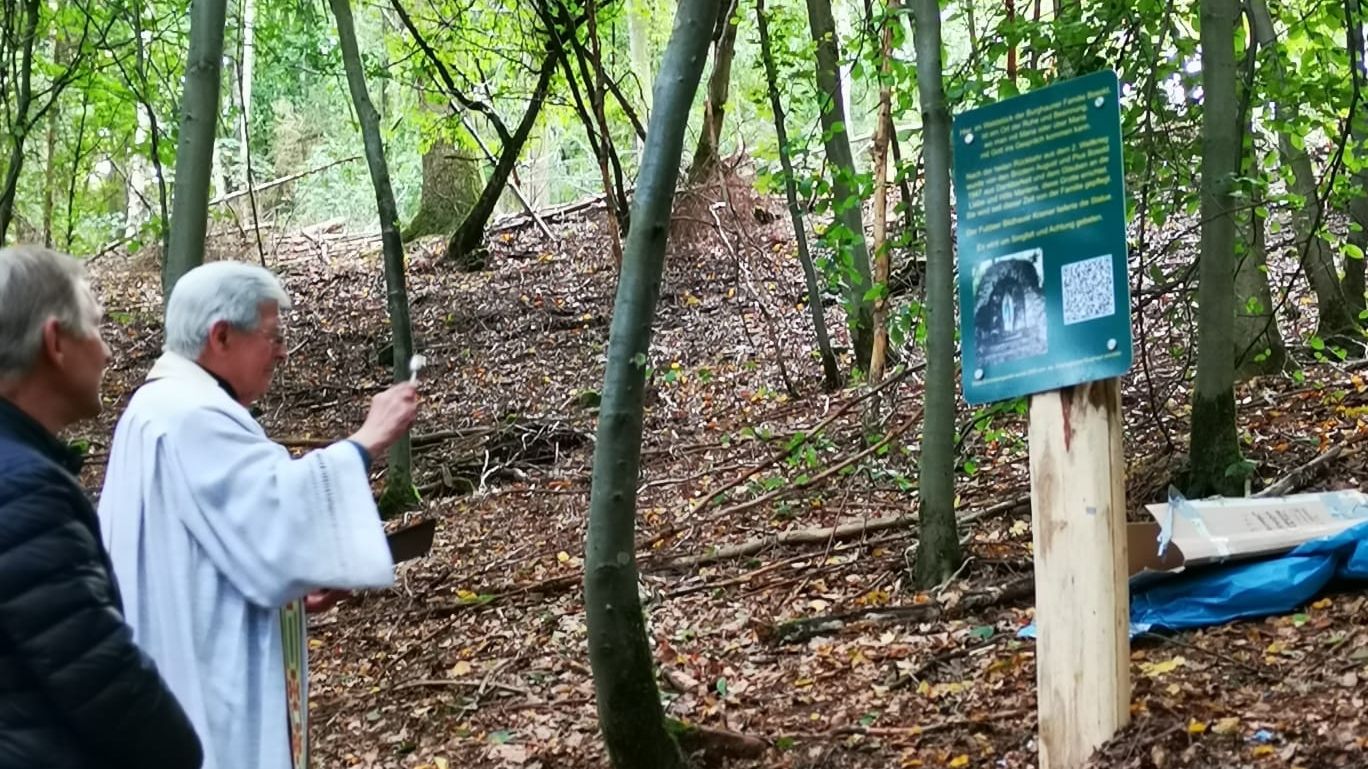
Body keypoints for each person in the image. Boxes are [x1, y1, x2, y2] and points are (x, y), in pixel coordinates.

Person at [98, 260, 419, 769]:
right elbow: (278, 503)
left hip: (173, 653)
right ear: (221, 335)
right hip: (206, 671)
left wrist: (294, 580)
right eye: (273, 336)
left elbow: (223, 537)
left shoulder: (156, 406)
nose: (282, 352)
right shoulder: (191, 415)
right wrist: (368, 439)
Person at [0, 245, 202, 769]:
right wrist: (183, 753)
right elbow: (101, 679)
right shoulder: (24, 489)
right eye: (95, 326)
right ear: (55, 342)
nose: (109, 352)